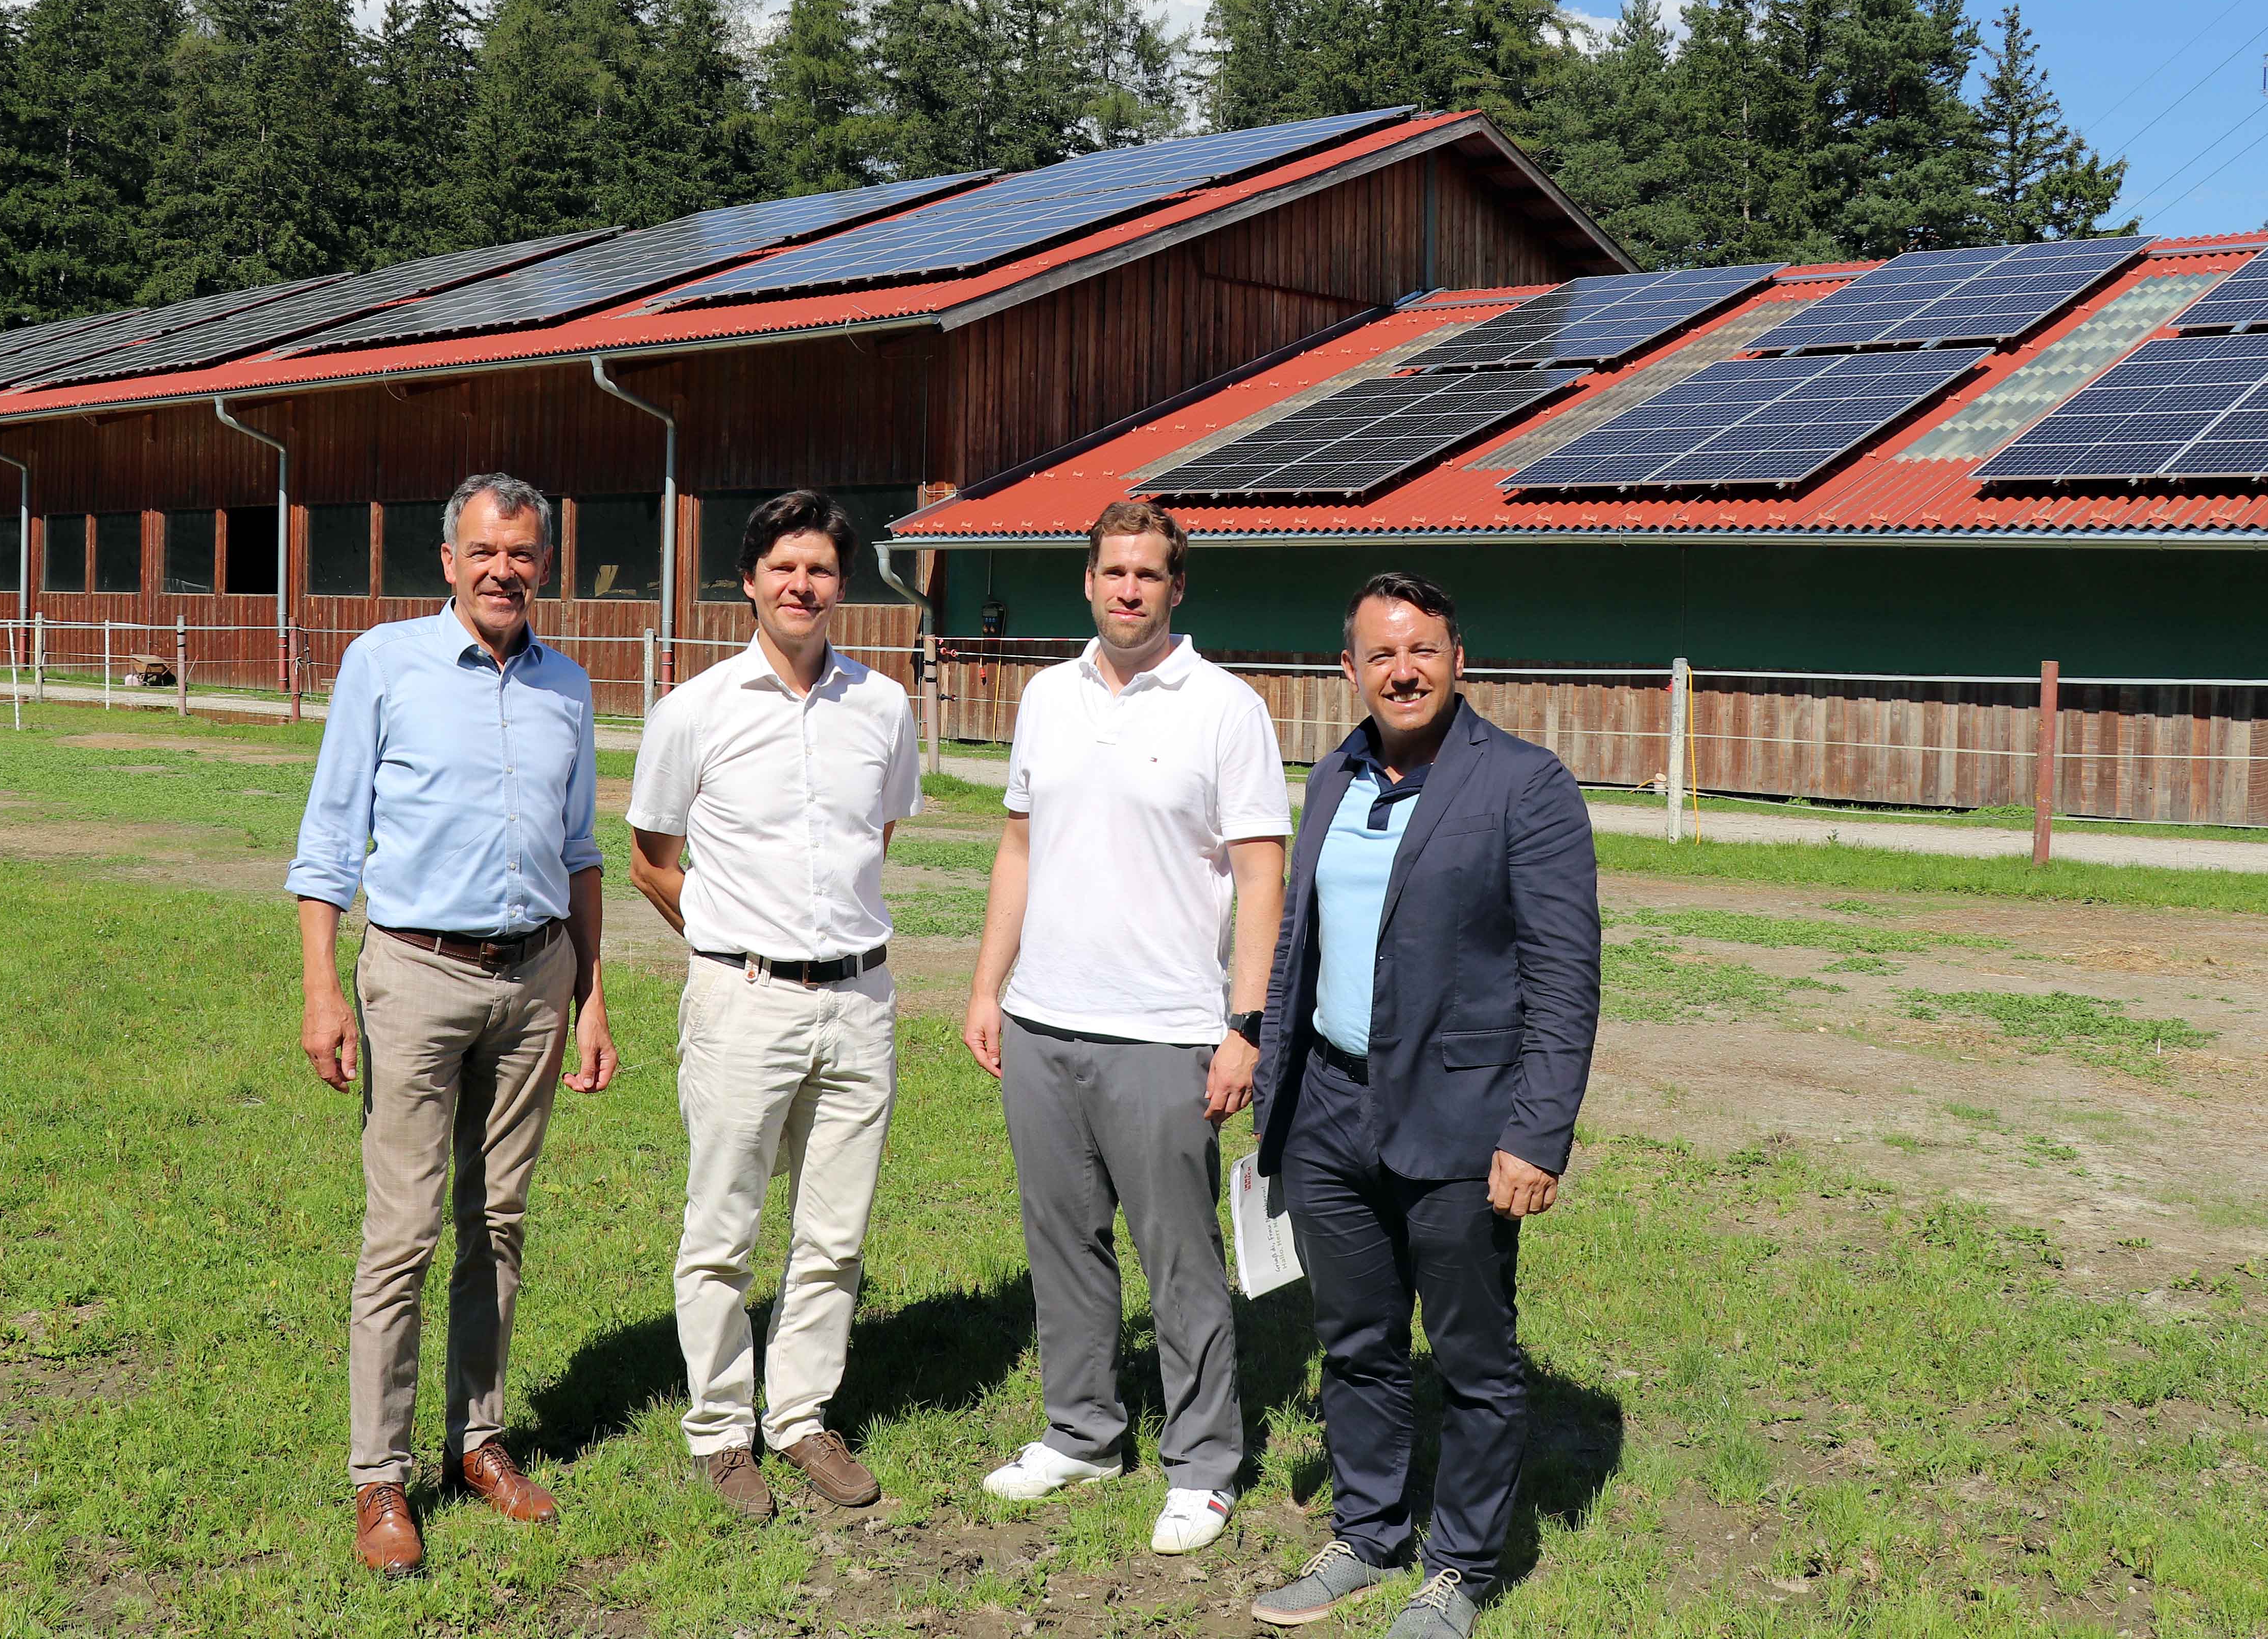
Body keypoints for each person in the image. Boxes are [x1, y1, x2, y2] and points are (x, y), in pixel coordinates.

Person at [1247, 573, 1600, 1638]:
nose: (1404, 669)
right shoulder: (1334, 775)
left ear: (1459, 659)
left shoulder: (1524, 785)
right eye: (1381, 653)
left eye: (1425, 650)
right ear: (1347, 669)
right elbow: (1298, 943)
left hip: (1459, 1118)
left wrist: (1537, 1132)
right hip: (1329, 1108)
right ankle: (1368, 1531)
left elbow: (1564, 973)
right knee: (1354, 1336)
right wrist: (1274, 1073)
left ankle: (1460, 1564)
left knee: (1472, 1355)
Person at [287, 473, 620, 1580]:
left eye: (522, 553)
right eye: (484, 551)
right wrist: (322, 989)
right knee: (405, 1233)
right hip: (417, 975)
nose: (504, 570)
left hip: (535, 980)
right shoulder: (384, 663)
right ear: (448, 560)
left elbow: (581, 851)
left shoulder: (567, 685)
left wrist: (593, 997)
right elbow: (329, 835)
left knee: (502, 1223)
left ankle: (479, 1441)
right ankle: (380, 1477)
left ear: (543, 563)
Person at [960, 500, 1290, 1556]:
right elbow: (1019, 845)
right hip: (1043, 1018)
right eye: (1113, 571)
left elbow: (1260, 873)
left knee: (1179, 1254)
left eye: (1150, 573)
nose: (1130, 588)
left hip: (1163, 1031)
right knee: (1061, 1243)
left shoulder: (1225, 707)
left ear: (1176, 587)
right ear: (1088, 580)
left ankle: (1203, 1462)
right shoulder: (1048, 696)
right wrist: (986, 985)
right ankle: (1084, 1429)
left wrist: (1244, 1023)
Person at [626, 490, 922, 1522]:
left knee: (835, 1230)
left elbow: (873, 838)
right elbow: (651, 861)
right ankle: (721, 1430)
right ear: (749, 580)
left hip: (859, 999)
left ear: (842, 585)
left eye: (823, 569)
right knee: (724, 1226)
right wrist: (729, 947)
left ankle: (800, 1415)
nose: (804, 585)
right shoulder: (695, 709)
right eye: (784, 567)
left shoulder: (881, 706)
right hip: (741, 999)